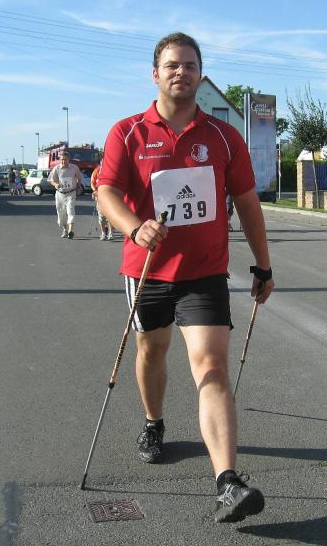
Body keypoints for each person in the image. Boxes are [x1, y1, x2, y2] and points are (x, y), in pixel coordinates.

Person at [97, 32, 274, 524]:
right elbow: (106, 191)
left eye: (191, 65)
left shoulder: (223, 137)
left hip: (205, 273)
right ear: (155, 73)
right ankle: (153, 422)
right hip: (148, 270)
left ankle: (227, 482)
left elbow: (247, 203)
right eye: (173, 65)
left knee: (211, 366)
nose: (182, 72)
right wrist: (135, 228)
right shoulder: (128, 132)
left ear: (201, 74)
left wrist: (263, 264)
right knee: (152, 352)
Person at [48, 151, 82, 239]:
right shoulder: (56, 168)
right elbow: (51, 180)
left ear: (68, 159)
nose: (64, 161)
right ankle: (65, 230)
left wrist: (78, 187)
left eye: (65, 159)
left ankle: (71, 231)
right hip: (60, 194)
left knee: (70, 211)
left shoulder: (74, 168)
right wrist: (56, 184)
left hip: (71, 193)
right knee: (61, 213)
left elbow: (79, 178)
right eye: (62, 159)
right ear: (60, 159)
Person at [90, 164, 115, 240]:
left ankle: (111, 233)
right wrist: (94, 191)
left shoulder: (112, 169)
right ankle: (103, 233)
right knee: (101, 217)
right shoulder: (97, 170)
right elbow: (92, 182)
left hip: (110, 197)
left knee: (110, 216)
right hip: (100, 197)